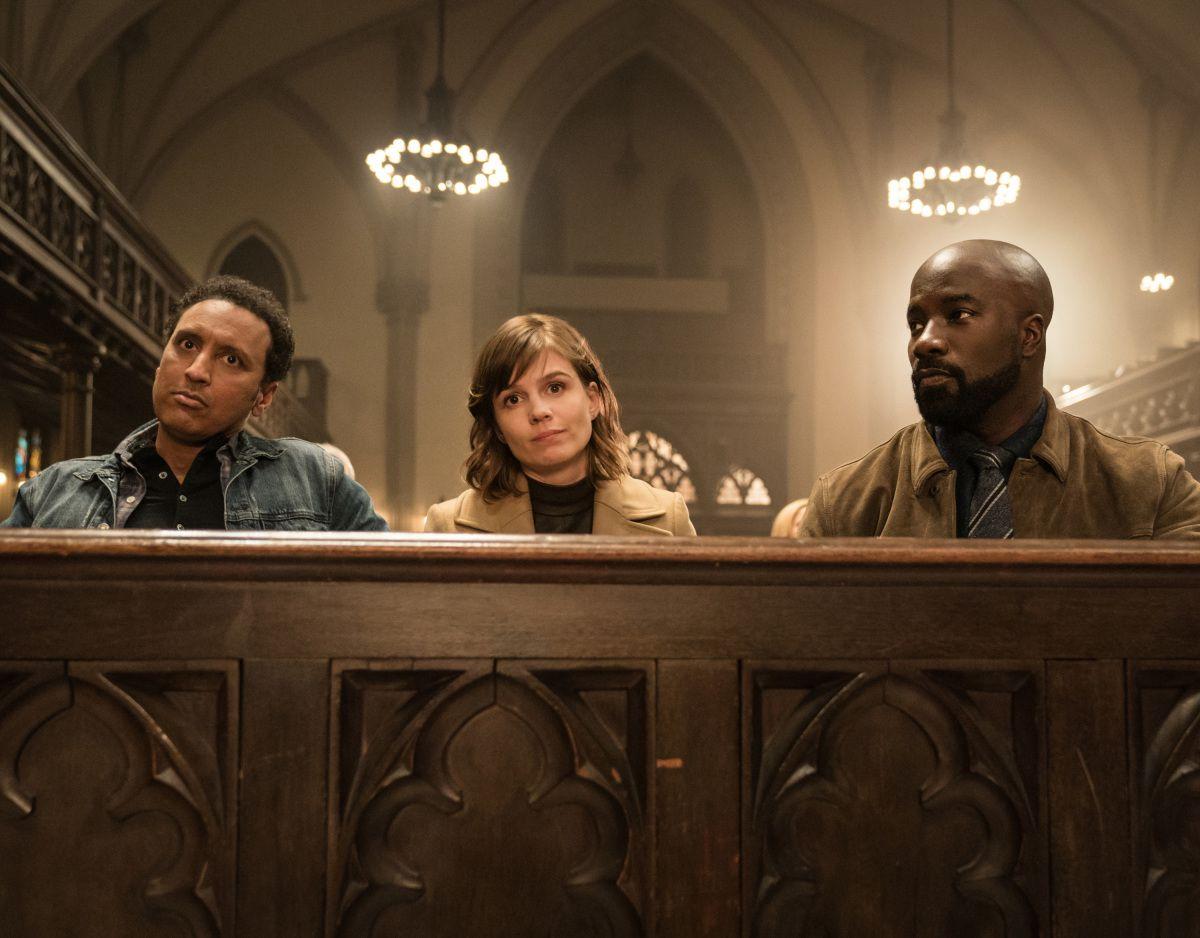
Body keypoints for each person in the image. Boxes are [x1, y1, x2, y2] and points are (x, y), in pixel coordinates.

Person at [799, 239, 1200, 538]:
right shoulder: (845, 501)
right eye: (916, 324)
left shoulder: (1151, 484)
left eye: (958, 315)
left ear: (1029, 336)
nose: (924, 342)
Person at [2, 275, 386, 531]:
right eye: (187, 344)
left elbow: (395, 593)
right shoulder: (53, 490)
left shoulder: (315, 479)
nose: (196, 370)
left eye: (231, 359)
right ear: (161, 359)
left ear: (264, 396)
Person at [425, 314, 695, 536]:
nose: (539, 412)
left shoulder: (668, 519)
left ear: (593, 400)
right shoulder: (448, 527)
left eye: (555, 387)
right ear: (497, 428)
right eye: (513, 399)